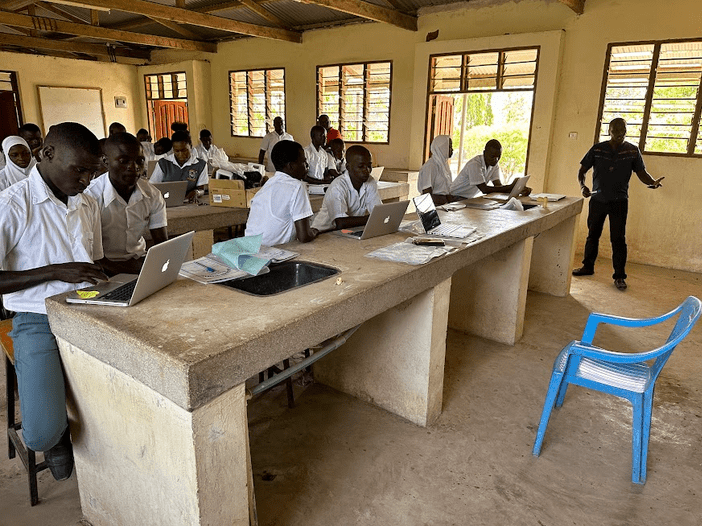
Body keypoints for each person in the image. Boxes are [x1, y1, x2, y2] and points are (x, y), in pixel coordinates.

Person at [0, 122, 107, 482]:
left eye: (93, 171)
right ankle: (56, 436)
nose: (88, 179)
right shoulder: (12, 205)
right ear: (46, 155)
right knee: (42, 432)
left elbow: (91, 264)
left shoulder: (86, 202)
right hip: (37, 317)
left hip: (90, 308)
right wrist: (53, 271)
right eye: (80, 169)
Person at [572, 118, 664, 291]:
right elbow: (582, 171)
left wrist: (652, 182)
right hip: (598, 200)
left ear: (626, 131)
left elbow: (641, 172)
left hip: (619, 202)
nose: (620, 134)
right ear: (609, 131)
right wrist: (583, 186)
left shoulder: (632, 151)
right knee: (592, 235)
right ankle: (587, 267)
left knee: (618, 239)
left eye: (623, 130)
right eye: (616, 131)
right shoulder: (598, 148)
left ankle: (619, 276)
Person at [85, 133, 168, 276]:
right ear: (105, 162)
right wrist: (138, 271)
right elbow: (90, 256)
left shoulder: (152, 195)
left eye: (140, 161)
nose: (134, 167)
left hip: (139, 260)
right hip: (103, 269)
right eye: (124, 161)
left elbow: (162, 244)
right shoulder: (91, 197)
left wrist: (159, 266)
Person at [245, 140, 317, 246]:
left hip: (250, 248)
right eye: (303, 162)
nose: (307, 166)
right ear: (291, 166)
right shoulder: (297, 186)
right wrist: (315, 231)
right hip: (272, 254)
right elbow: (304, 236)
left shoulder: (269, 184)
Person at [312, 145, 382, 232]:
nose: (367, 170)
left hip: (348, 231)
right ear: (348, 167)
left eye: (369, 166)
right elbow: (341, 223)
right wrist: (372, 218)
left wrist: (377, 217)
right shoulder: (338, 186)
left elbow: (378, 212)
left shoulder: (370, 181)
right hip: (323, 233)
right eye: (361, 166)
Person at [450, 139, 530, 199]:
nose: (496, 159)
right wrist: (509, 187)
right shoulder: (475, 164)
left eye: (498, 156)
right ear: (484, 153)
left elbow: (498, 186)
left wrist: (517, 190)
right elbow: (484, 189)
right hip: (454, 197)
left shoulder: (494, 164)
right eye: (492, 156)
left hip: (466, 198)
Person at [149, 130, 208, 201]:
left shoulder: (200, 164)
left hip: (189, 202)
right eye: (177, 151)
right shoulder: (163, 163)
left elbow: (201, 189)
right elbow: (152, 187)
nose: (180, 154)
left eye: (184, 150)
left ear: (191, 146)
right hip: (166, 202)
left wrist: (197, 192)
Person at [417, 135, 454, 205]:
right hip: (433, 206)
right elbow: (426, 195)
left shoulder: (444, 165)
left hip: (444, 205)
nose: (452, 149)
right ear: (442, 148)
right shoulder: (431, 166)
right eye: (449, 147)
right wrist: (445, 199)